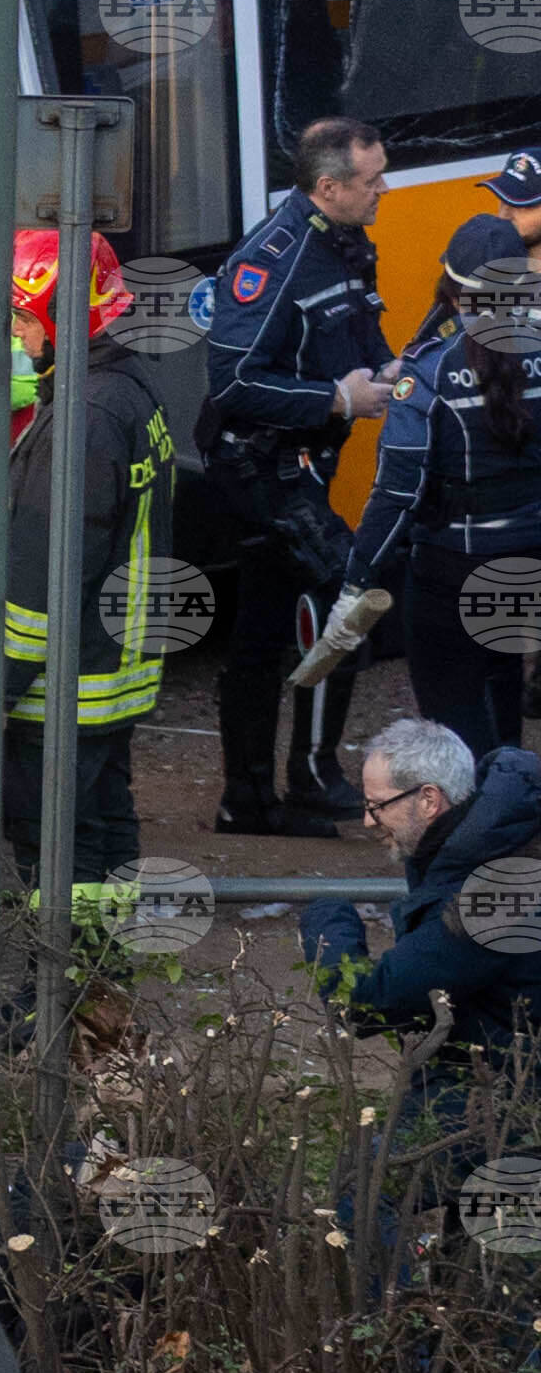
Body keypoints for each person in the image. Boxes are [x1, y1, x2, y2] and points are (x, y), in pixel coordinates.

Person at [185, 113, 393, 828]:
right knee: (347, 594)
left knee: (264, 627)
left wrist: (391, 371)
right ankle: (308, 774)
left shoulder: (345, 240)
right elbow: (234, 377)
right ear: (329, 186)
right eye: (373, 181)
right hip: (257, 466)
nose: (384, 190)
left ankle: (247, 799)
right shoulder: (272, 258)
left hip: (301, 461)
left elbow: (363, 330)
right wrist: (337, 397)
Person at [317, 218, 541, 772]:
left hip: (453, 572)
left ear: (451, 288)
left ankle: (475, 834)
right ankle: (510, 805)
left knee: (457, 724)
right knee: (504, 684)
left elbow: (396, 493)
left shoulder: (428, 374)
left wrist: (356, 582)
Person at [0, 226, 177, 892]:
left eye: (23, 318)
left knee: (56, 849)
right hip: (114, 672)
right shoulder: (127, 386)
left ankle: (61, 990)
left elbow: (44, 575)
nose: (18, 337)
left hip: (67, 685)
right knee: (105, 829)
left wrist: (1, 687)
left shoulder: (86, 414)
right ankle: (107, 982)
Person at [300, 715, 541, 1099]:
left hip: (501, 1103)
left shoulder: (488, 899)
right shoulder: (484, 850)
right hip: (496, 1081)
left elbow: (365, 1002)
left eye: (377, 805)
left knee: (380, 1156)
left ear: (429, 800)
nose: (366, 820)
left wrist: (326, 918)